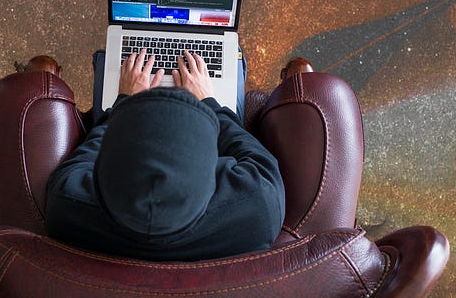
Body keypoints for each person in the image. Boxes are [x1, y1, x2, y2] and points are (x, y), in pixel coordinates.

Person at [42, 49, 285, 261]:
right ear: (213, 169)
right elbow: (249, 149)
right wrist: (208, 101)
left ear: (103, 170)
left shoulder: (66, 203)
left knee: (106, 61)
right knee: (236, 61)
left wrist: (124, 101)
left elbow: (85, 154)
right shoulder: (259, 204)